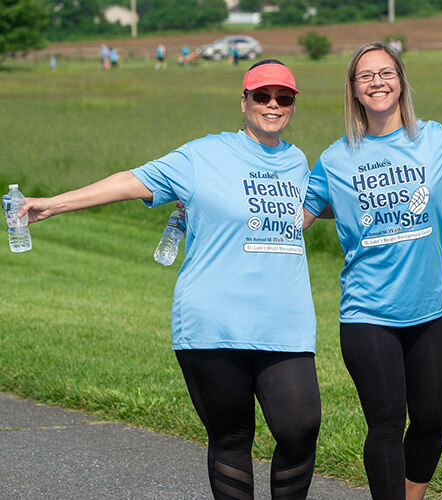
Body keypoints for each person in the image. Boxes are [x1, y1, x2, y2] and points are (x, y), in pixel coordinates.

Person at [18, 60, 321, 500]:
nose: (272, 105)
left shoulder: (297, 161)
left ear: (293, 105)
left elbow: (294, 217)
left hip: (286, 322)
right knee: (233, 438)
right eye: (261, 96)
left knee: (299, 429)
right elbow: (131, 181)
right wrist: (55, 204)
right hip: (213, 322)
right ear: (244, 102)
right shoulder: (202, 156)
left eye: (283, 98)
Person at [302, 42, 442, 500]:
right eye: (365, 76)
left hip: (429, 313)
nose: (377, 82)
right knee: (386, 424)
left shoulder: (437, 139)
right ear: (354, 91)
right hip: (367, 315)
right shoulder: (335, 159)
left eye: (385, 72)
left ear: (400, 81)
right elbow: (295, 214)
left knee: (433, 422)